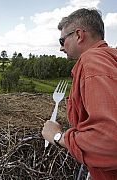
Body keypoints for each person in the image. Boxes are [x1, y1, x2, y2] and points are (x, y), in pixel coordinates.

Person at [42, 8, 117, 180]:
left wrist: (58, 136)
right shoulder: (110, 59)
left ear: (79, 35)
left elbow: (109, 141)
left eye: (62, 40)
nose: (61, 48)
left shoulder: (93, 62)